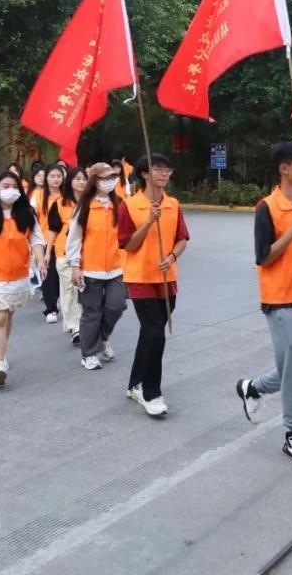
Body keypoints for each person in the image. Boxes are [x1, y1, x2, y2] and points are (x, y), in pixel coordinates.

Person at [236, 142, 292, 464]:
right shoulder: (267, 207)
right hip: (278, 299)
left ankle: (254, 388)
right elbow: (264, 256)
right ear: (285, 169)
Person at [119, 153, 189, 417]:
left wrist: (171, 257)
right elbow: (128, 244)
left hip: (167, 278)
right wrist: (149, 221)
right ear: (145, 174)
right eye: (158, 169)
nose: (164, 174)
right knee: (154, 332)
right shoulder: (129, 206)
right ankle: (151, 393)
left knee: (151, 333)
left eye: (167, 169)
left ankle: (134, 383)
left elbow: (182, 238)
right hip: (140, 277)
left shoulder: (173, 204)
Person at [0, 172, 46, 386]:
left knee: (7, 316)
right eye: (5, 186)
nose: (11, 190)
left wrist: (41, 261)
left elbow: (36, 239)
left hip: (18, 276)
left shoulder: (27, 214)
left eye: (15, 186)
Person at [66, 164, 127, 370]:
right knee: (92, 312)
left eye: (112, 177)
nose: (109, 181)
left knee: (116, 306)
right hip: (90, 269)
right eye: (104, 178)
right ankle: (89, 353)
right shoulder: (84, 207)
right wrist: (75, 266)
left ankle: (102, 338)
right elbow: (74, 239)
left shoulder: (120, 204)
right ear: (95, 181)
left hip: (116, 268)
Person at [48, 167, 86, 345]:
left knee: (83, 289)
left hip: (87, 253)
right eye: (77, 179)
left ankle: (83, 322)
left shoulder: (91, 203)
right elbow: (53, 229)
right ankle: (75, 326)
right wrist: (47, 252)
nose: (81, 182)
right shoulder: (59, 203)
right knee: (70, 289)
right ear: (69, 181)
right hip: (64, 253)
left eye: (84, 179)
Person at [39, 164, 64, 323]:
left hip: (62, 241)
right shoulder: (38, 196)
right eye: (52, 176)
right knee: (48, 275)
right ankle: (51, 308)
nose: (56, 179)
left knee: (61, 275)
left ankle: (60, 299)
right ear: (46, 177)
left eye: (59, 176)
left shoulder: (67, 196)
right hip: (43, 240)